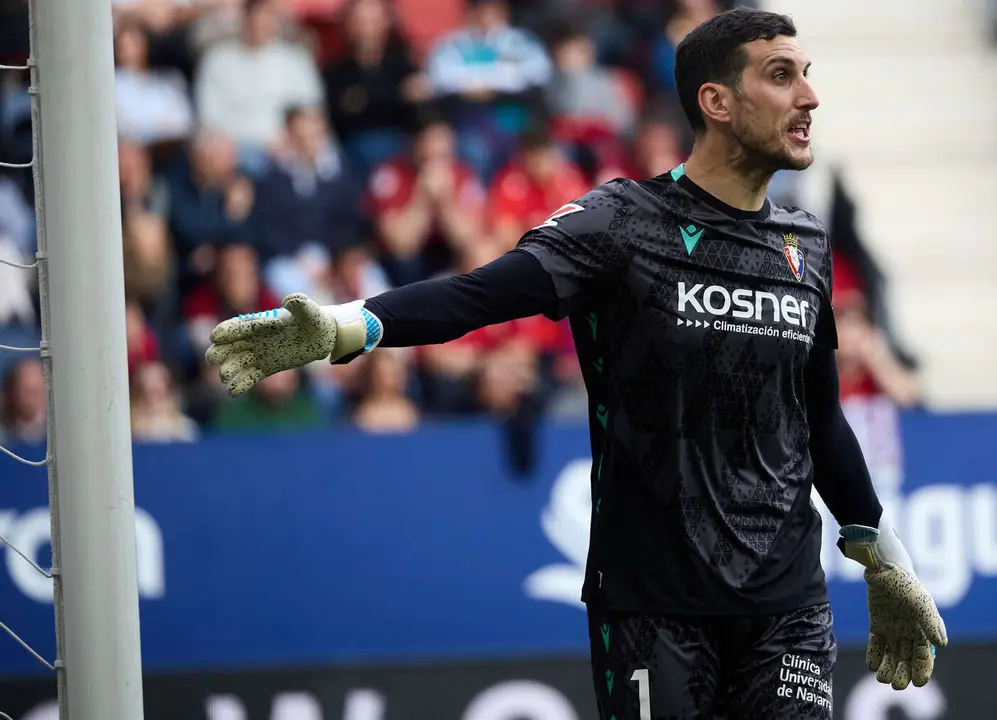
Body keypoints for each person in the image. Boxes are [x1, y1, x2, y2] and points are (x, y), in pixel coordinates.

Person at [204, 9, 946, 719]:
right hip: (653, 606)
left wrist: (883, 556)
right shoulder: (623, 222)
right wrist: (346, 326)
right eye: (783, 75)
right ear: (716, 101)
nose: (811, 96)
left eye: (807, 74)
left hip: (787, 605)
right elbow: (479, 294)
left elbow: (817, 418)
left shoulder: (804, 243)